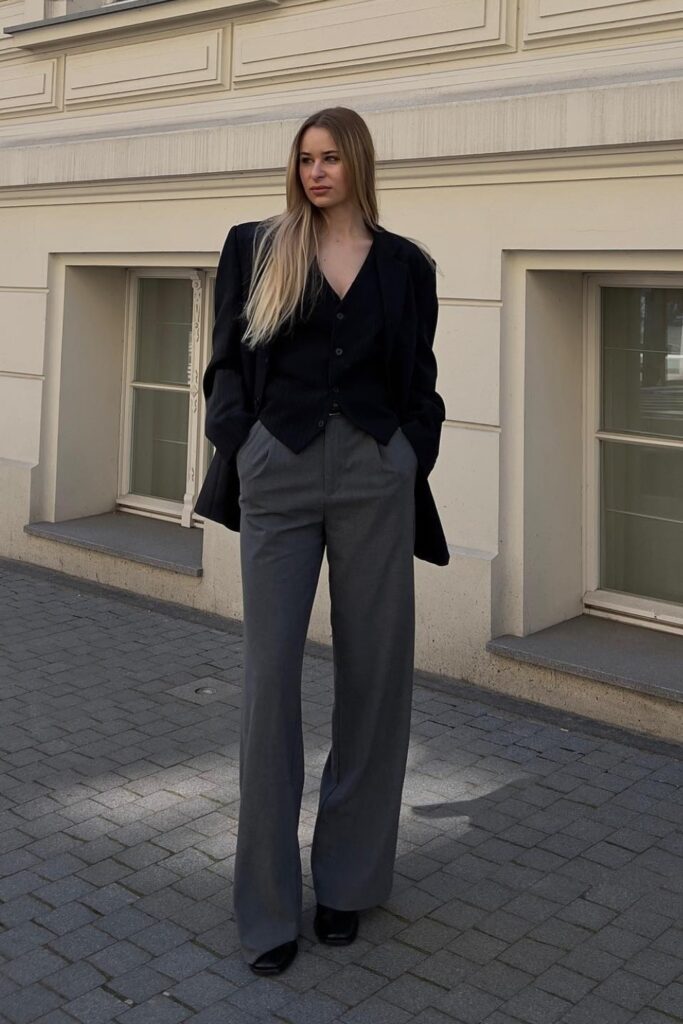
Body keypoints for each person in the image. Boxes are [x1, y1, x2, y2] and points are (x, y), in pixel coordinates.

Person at [194, 106, 449, 975]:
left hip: (375, 472)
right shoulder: (257, 246)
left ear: (358, 163)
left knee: (375, 679)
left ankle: (345, 882)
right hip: (279, 469)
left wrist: (406, 451)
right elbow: (224, 361)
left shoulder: (406, 265)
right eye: (304, 158)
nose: (315, 172)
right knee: (270, 685)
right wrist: (243, 441)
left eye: (331, 157)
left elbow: (420, 379)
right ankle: (265, 908)